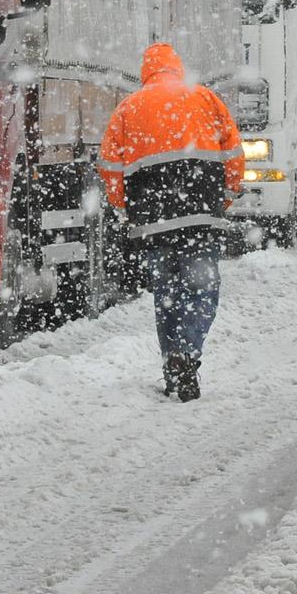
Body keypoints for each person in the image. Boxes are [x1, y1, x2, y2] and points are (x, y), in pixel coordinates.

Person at [98, 43, 244, 402]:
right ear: (178, 69)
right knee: (201, 292)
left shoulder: (128, 108)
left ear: (146, 71)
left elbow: (110, 165)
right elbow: (234, 153)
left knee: (167, 296)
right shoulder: (205, 98)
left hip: (152, 223)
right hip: (200, 217)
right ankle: (187, 354)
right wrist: (224, 197)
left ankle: (172, 370)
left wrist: (125, 207)